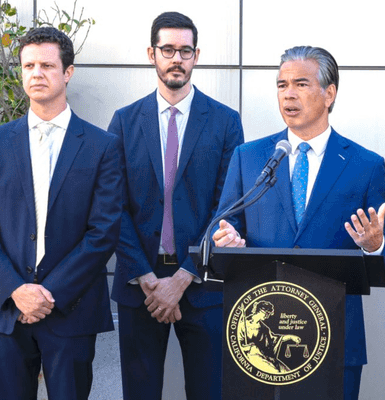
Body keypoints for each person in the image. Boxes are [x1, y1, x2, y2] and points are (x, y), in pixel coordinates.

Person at [211, 45, 385, 400]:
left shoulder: (365, 164)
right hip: (260, 340)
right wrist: (227, 239)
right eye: (281, 85)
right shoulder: (249, 157)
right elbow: (224, 223)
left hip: (334, 331)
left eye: (300, 84)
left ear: (329, 93)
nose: (289, 94)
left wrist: (374, 245)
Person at [0, 26, 123, 400]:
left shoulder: (102, 146)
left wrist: (47, 294)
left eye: (47, 66)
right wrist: (17, 290)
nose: (36, 73)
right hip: (6, 309)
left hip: (72, 309)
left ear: (67, 72)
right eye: (29, 66)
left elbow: (103, 231)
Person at [108, 11, 244, 400]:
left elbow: (228, 207)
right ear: (152, 53)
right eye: (168, 49)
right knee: (140, 393)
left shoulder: (225, 122)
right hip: (140, 287)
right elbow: (112, 207)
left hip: (204, 287)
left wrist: (185, 275)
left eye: (185, 51)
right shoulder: (123, 121)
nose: (176, 59)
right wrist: (149, 280)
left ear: (196, 56)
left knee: (208, 392)